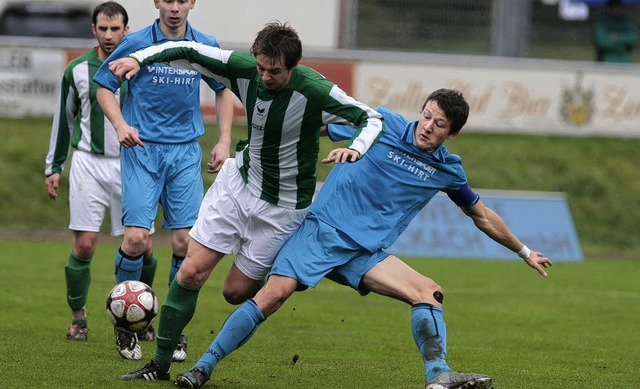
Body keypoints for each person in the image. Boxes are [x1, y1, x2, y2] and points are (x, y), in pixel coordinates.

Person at [163, 89, 553, 389]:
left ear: (452, 133)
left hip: (365, 251)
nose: (427, 126)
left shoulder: (447, 169)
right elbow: (314, 126)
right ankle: (202, 368)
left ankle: (439, 375)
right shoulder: (379, 124)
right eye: (426, 115)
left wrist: (523, 250)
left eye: (438, 124)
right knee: (271, 296)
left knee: (428, 292)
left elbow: (481, 215)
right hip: (321, 230)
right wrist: (274, 147)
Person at [106, 21, 385, 381]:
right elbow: (188, 50)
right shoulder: (242, 69)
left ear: (293, 67)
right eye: (262, 68)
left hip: (283, 210)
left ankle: (286, 262)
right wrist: (139, 59)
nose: (266, 77)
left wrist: (355, 148)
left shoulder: (315, 90)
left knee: (234, 293)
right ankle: (159, 364)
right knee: (191, 271)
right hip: (238, 186)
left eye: (276, 72)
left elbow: (372, 118)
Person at [93, 0, 235, 361]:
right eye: (166, 0)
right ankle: (125, 326)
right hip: (142, 149)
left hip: (185, 152)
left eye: (180, 0)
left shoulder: (204, 44)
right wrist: (121, 125)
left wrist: (223, 140)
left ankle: (173, 328)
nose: (173, 7)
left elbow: (223, 90)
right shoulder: (136, 40)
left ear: (192, 3)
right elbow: (104, 87)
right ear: (156, 2)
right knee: (138, 239)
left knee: (186, 243)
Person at [44, 1, 157, 344]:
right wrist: (54, 166)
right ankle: (78, 318)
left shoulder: (144, 65)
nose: (109, 36)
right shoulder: (77, 70)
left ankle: (144, 315)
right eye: (102, 29)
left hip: (134, 162)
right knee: (84, 246)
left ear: (126, 29)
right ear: (93, 29)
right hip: (88, 164)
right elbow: (63, 120)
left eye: (115, 29)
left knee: (144, 245)